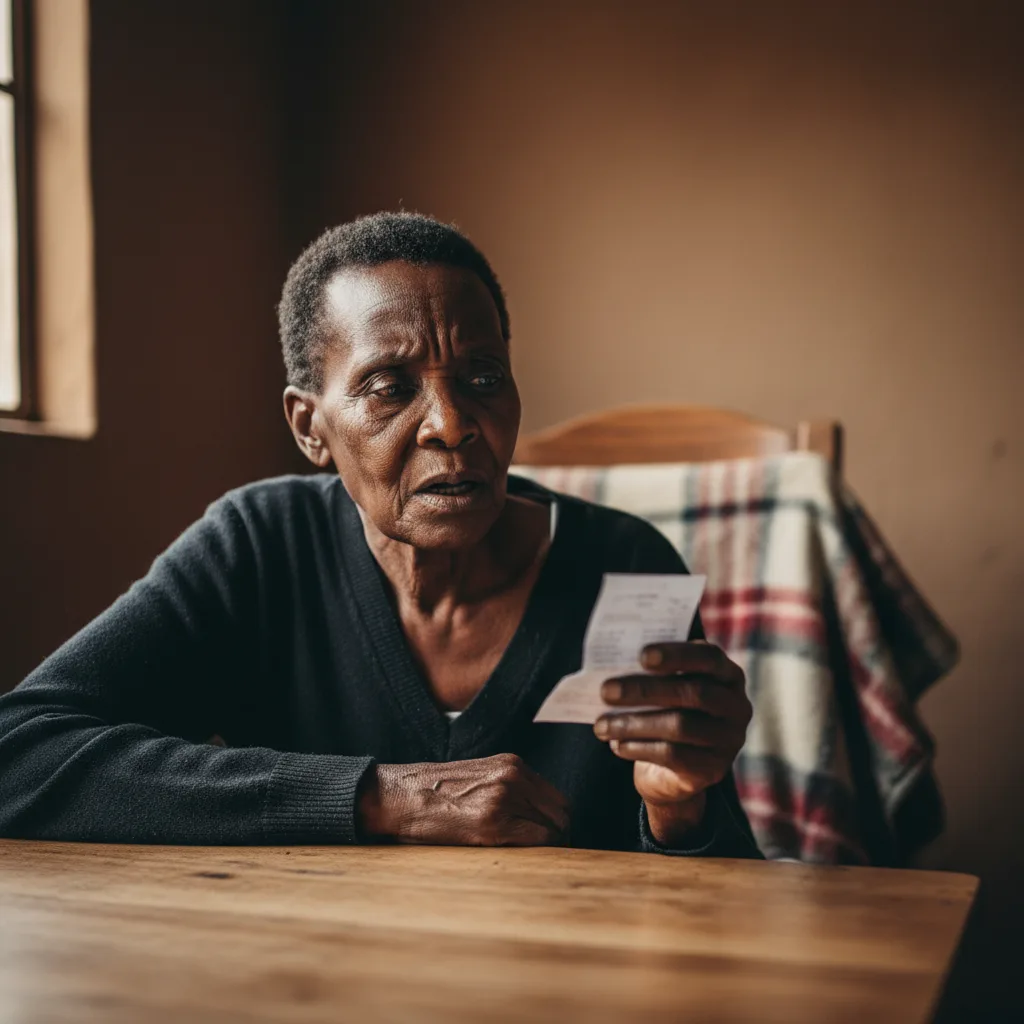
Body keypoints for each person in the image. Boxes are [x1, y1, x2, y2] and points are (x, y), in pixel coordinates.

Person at [0, 212, 760, 857]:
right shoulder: (260, 548)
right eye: (390, 388)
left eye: (484, 377)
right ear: (310, 428)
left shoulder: (623, 568)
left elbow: (715, 900)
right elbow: (19, 758)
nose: (453, 424)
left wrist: (678, 808)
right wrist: (379, 796)